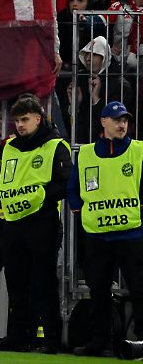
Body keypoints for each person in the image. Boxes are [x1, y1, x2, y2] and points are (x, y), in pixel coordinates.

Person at [0, 93, 71, 353]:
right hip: (12, 224)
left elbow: (66, 183)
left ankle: (52, 341)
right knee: (16, 283)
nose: (19, 125)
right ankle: (18, 337)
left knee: (43, 283)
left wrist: (40, 197)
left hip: (42, 222)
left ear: (38, 119)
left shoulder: (55, 146)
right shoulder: (6, 146)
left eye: (25, 120)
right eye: (17, 121)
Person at [65, 101, 143, 356]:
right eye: (117, 119)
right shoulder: (86, 153)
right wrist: (80, 210)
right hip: (97, 235)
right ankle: (100, 341)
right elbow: (74, 189)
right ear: (103, 122)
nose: (123, 124)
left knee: (139, 288)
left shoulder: (138, 150)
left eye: (125, 120)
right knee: (98, 291)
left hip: (131, 234)